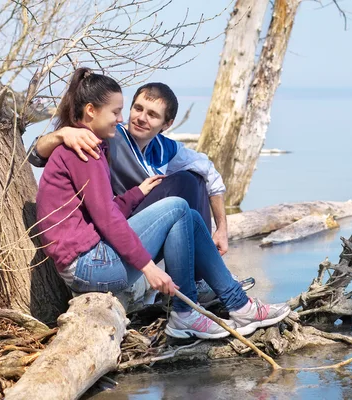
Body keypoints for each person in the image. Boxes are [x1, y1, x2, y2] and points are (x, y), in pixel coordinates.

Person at [36, 68, 290, 339]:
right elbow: (106, 217)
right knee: (178, 207)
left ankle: (231, 306)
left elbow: (105, 210)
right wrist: (148, 267)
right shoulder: (83, 150)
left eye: (150, 114)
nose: (122, 119)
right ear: (91, 111)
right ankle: (198, 310)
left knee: (188, 211)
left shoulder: (101, 146)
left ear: (165, 124)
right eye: (117, 112)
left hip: (95, 256)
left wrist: (136, 194)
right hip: (87, 267)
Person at [29, 81, 251, 306]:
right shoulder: (106, 137)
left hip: (127, 223)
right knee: (181, 200)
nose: (140, 118)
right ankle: (203, 290)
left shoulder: (166, 149)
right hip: (108, 237)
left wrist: (222, 229)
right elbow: (36, 156)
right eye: (137, 108)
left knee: (194, 179)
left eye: (153, 115)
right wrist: (63, 134)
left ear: (167, 124)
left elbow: (210, 173)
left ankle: (200, 286)